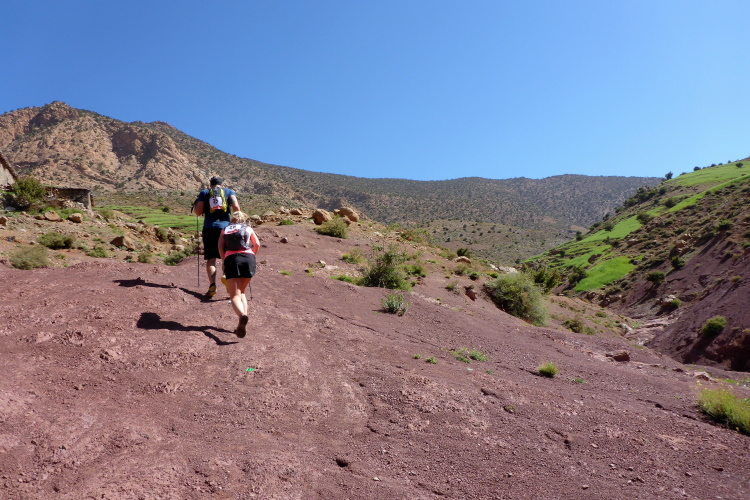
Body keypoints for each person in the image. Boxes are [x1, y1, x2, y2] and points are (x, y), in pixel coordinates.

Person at [193, 176, 240, 298]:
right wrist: (235, 221)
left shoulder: (204, 193)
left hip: (209, 228)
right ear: (221, 185)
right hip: (226, 228)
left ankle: (212, 285)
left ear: (210, 185)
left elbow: (198, 212)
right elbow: (236, 207)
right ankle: (227, 279)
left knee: (211, 259)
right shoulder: (229, 192)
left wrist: (196, 204)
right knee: (226, 257)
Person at [218, 211, 260, 338]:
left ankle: (242, 315)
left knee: (234, 295)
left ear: (232, 219)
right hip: (248, 259)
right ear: (244, 220)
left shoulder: (225, 230)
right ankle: (242, 321)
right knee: (242, 292)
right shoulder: (248, 228)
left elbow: (220, 247)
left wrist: (224, 261)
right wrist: (252, 255)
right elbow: (257, 244)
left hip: (231, 259)